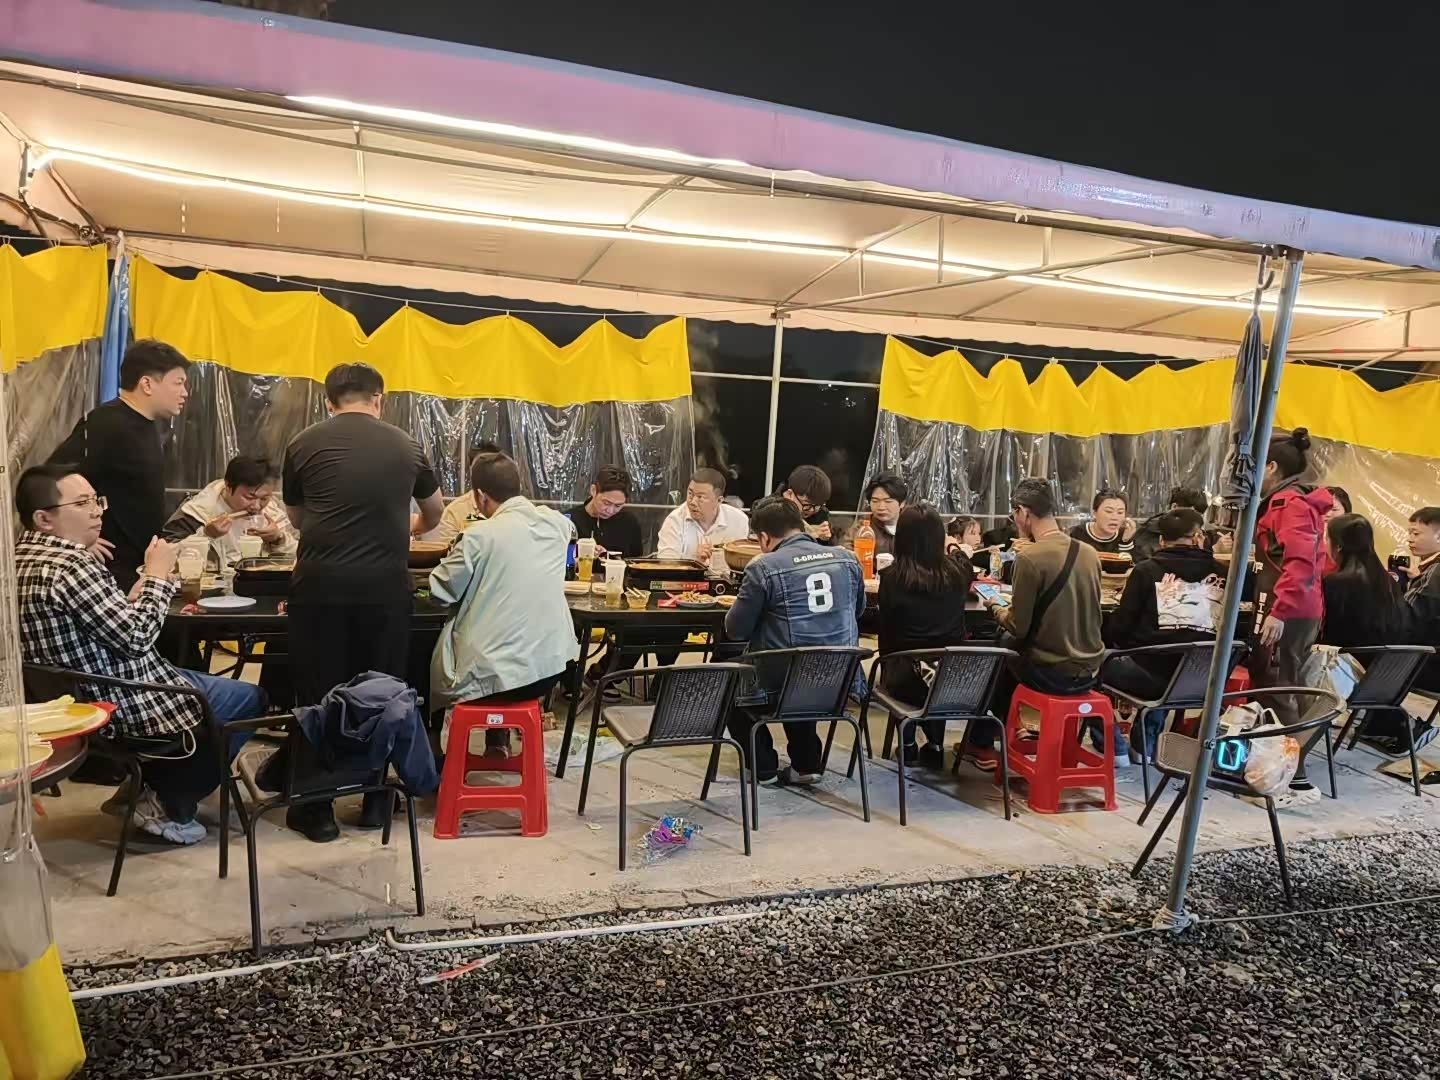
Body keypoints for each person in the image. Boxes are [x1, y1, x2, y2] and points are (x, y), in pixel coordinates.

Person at [14, 464, 265, 845]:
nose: (97, 511)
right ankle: (167, 803)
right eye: (82, 503)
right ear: (43, 518)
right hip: (122, 698)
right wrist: (158, 574)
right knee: (249, 700)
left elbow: (99, 625)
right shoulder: (70, 567)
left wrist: (139, 594)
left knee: (225, 692)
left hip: (77, 695)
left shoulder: (20, 559)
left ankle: (142, 787)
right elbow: (137, 638)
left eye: (96, 500)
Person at [281, 362, 444, 842]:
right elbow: (434, 512)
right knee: (383, 691)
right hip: (384, 590)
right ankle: (376, 799)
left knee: (318, 693)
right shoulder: (407, 445)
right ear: (379, 399)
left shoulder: (302, 443)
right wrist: (405, 527)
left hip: (320, 588)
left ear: (329, 402)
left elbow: (297, 517)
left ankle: (316, 810)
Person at [430, 453, 576, 754]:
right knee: (502, 640)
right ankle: (498, 741)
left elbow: (440, 591)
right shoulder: (557, 524)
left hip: (497, 678)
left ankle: (433, 759)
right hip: (548, 672)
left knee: (425, 665)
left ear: (480, 497)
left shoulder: (478, 537)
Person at [723, 498, 865, 786]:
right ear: (800, 526)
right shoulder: (848, 559)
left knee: (728, 683)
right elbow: (857, 609)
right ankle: (806, 764)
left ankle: (762, 768)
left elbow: (735, 630)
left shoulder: (764, 567)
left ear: (764, 538)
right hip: (840, 683)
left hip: (782, 685)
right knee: (806, 665)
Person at [978, 478, 1109, 764]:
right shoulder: (1089, 553)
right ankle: (1025, 731)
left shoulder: (1030, 558)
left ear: (1024, 513)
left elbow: (1018, 626)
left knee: (996, 655)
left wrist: (995, 606)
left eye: (1015, 514)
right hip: (1091, 671)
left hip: (1052, 672)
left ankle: (984, 741)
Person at [50, 340, 191, 592]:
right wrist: (78, 541)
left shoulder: (148, 426)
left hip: (139, 563)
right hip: (112, 568)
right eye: (178, 383)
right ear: (147, 384)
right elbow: (52, 479)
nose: (185, 393)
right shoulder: (106, 423)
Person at [1246, 427, 1333, 806]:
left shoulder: (1289, 504)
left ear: (1271, 467)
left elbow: (1300, 563)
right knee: (1276, 686)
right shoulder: (1289, 501)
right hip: (1291, 606)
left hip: (1288, 610)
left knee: (1281, 689)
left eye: (1254, 465)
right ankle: (1272, 771)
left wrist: (1279, 611)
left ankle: (1293, 782)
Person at [1104, 509, 1228, 758]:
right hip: (1206, 680)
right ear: (1198, 537)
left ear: (1161, 541)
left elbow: (1120, 628)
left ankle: (1115, 748)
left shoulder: (1146, 571)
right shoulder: (1226, 574)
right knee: (1173, 656)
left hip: (1150, 680)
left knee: (1088, 665)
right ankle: (1146, 744)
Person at [878, 505, 972, 768]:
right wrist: (953, 546)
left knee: (901, 661)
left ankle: (907, 744)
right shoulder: (957, 574)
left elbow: (887, 630)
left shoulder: (892, 578)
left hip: (905, 678)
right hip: (950, 680)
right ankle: (935, 746)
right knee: (938, 664)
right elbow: (966, 563)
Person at [1320, 514, 1419, 754]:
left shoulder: (1336, 583)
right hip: (1389, 677)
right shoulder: (1388, 581)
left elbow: (1328, 638)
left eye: (1326, 538)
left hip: (1351, 675)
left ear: (1338, 546)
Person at [160, 455, 297, 567]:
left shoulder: (274, 512)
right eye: (249, 497)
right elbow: (163, 558)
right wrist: (206, 535)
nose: (256, 506)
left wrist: (278, 539)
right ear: (228, 486)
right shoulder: (197, 512)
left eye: (264, 498)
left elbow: (301, 556)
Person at [418, 442, 502, 545]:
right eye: (483, 469)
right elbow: (448, 552)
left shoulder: (513, 505)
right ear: (472, 471)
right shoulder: (454, 513)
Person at [656, 468, 749, 563]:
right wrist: (695, 562)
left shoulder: (738, 520)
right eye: (690, 494)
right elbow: (666, 565)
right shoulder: (674, 521)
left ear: (719, 500)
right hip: (687, 573)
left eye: (700, 497)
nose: (693, 502)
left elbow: (743, 563)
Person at [568, 464, 644, 559]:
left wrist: (608, 557)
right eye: (606, 503)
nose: (610, 510)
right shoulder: (570, 521)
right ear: (593, 490)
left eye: (618, 505)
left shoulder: (629, 523)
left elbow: (637, 562)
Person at [1403, 506, 1440, 694]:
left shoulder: (1436, 570)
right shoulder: (1428, 569)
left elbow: (1407, 615)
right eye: (1409, 533)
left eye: (1416, 533)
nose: (1409, 539)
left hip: (1429, 662)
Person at [1130, 487, 1209, 562]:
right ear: (1174, 507)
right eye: (1191, 516)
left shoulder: (1200, 536)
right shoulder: (1148, 535)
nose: (1196, 522)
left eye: (1200, 516)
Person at [776, 464, 836, 544]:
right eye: (807, 504)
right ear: (790, 494)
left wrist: (825, 539)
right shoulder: (769, 510)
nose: (812, 510)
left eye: (818, 505)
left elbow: (829, 547)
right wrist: (809, 535)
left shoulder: (821, 513)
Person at [1070, 488, 1137, 556]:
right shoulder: (1078, 533)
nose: (1114, 517)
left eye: (1120, 512)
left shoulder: (1127, 534)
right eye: (1109, 511)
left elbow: (1130, 561)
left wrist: (1125, 541)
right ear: (1095, 513)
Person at [861, 473, 908, 557]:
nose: (881, 507)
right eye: (875, 501)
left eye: (888, 501)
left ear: (902, 503)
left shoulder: (912, 527)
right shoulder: (862, 529)